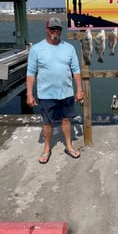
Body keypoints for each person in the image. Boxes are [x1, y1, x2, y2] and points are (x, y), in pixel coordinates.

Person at [26, 17, 84, 164]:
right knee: (47, 123)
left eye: (58, 29)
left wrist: (79, 90)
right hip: (46, 94)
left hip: (66, 92)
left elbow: (76, 70)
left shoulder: (69, 48)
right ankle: (46, 149)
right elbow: (31, 72)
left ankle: (69, 146)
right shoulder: (37, 49)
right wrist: (29, 94)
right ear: (47, 29)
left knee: (66, 120)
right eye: (52, 28)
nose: (55, 31)